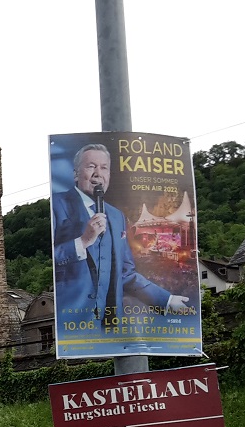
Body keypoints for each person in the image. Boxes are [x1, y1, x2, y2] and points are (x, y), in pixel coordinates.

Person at [52, 143, 190, 341]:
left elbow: (125, 273)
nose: (98, 174)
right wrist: (83, 241)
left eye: (104, 167)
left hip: (108, 326)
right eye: (91, 166)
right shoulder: (57, 205)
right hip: (71, 323)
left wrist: (166, 300)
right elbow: (51, 259)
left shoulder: (116, 216)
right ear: (76, 174)